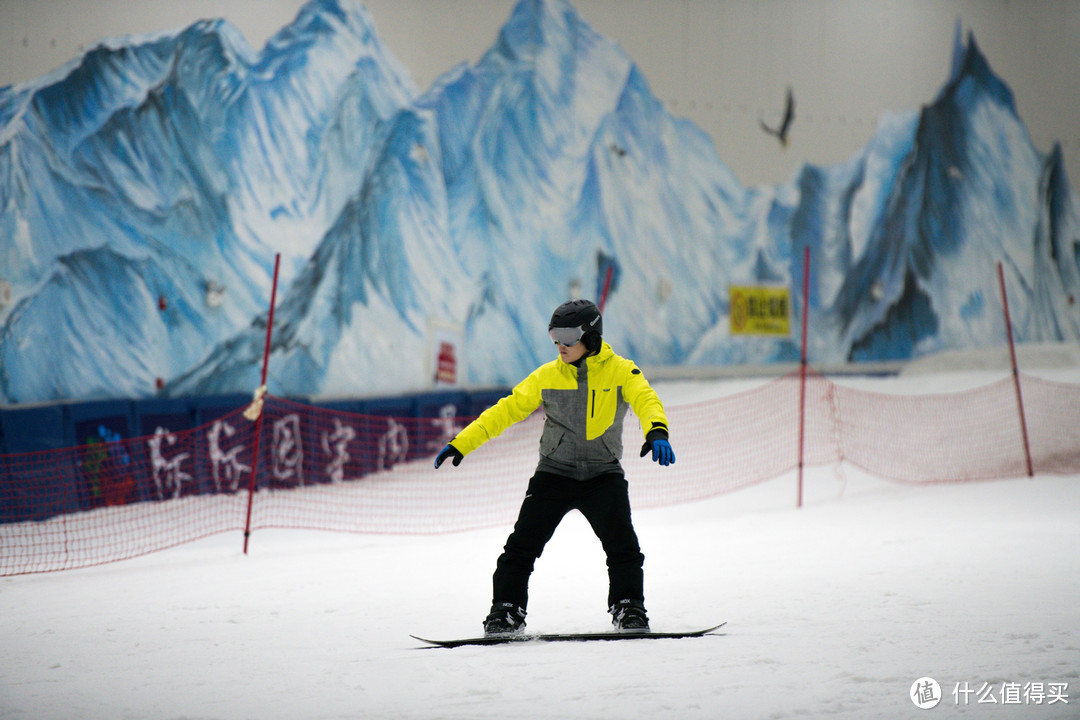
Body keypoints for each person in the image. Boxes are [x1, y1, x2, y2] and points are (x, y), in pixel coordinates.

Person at [434, 299, 675, 636]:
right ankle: (506, 611)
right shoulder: (547, 376)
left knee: (623, 548)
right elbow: (506, 411)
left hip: (602, 473)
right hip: (554, 473)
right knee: (520, 547)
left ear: (590, 337)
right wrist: (463, 441)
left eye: (567, 337)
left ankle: (629, 607)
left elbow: (646, 398)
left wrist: (657, 430)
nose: (560, 345)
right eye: (554, 337)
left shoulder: (621, 370)